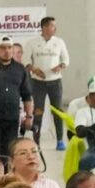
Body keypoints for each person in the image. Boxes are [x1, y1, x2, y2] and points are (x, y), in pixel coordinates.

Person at [27, 16, 71, 149]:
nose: (54, 28)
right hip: (38, 82)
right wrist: (34, 69)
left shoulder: (59, 42)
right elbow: (26, 60)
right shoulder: (32, 42)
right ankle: (36, 141)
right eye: (52, 25)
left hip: (55, 82)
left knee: (57, 110)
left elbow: (66, 59)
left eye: (54, 26)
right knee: (38, 110)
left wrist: (60, 66)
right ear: (44, 27)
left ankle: (60, 140)